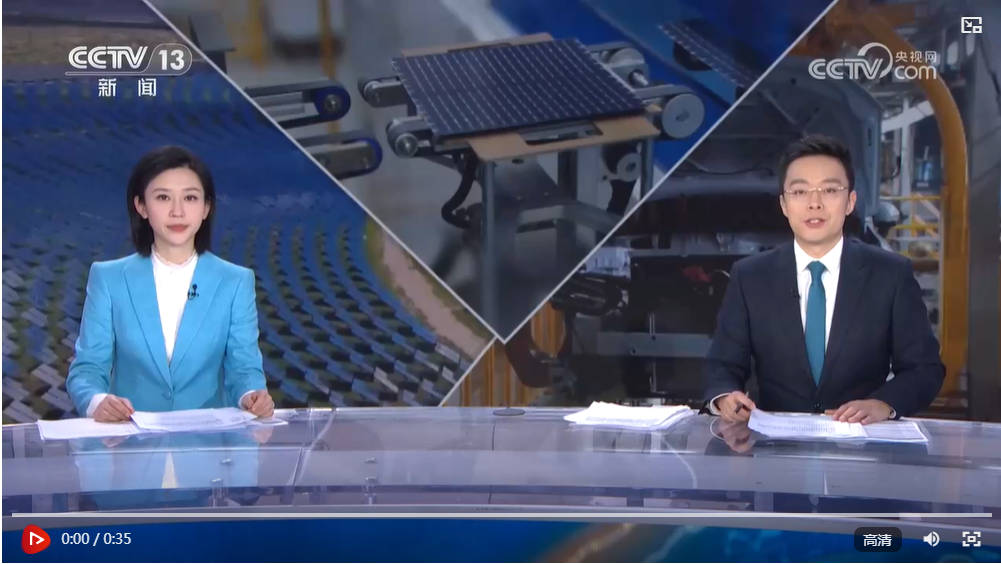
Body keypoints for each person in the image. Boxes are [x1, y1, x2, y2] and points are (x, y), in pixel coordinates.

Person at [703, 134, 944, 424]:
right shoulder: (750, 277)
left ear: (850, 201)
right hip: (775, 443)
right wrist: (725, 397)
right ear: (784, 204)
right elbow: (722, 365)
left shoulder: (890, 274)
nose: (814, 203)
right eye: (800, 192)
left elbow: (924, 369)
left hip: (862, 441)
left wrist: (883, 404)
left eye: (829, 190)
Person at [67, 146, 275, 421]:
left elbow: (244, 369)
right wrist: (97, 402)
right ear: (141, 206)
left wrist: (251, 395)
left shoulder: (235, 282)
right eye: (163, 197)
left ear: (206, 208)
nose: (178, 211)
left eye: (190, 198)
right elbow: (87, 369)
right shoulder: (109, 279)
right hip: (129, 437)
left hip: (207, 440)